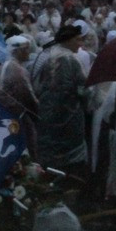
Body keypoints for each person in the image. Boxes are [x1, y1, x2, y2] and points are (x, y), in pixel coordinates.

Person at [32, 24, 88, 178]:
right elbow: (85, 90)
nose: (80, 44)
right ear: (67, 40)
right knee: (70, 161)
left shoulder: (49, 57)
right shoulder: (71, 60)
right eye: (77, 40)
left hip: (47, 116)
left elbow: (37, 87)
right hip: (69, 117)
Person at [0, 35, 38, 159]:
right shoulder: (19, 71)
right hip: (16, 118)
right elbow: (29, 98)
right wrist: (40, 114)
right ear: (18, 51)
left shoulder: (1, 67)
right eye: (26, 49)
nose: (29, 52)